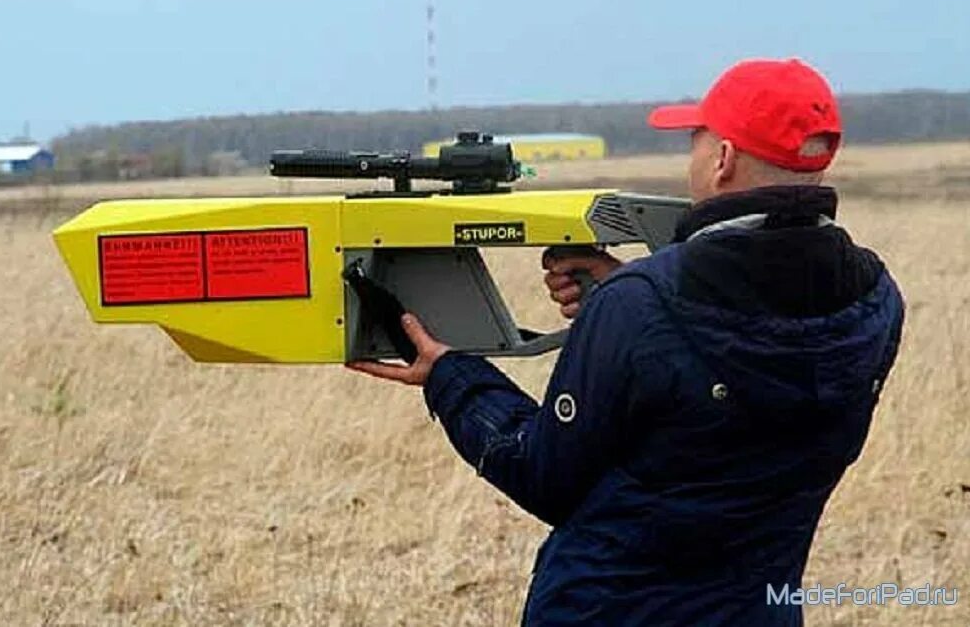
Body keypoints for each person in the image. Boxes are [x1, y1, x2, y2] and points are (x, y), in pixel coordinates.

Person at [347, 58, 905, 626]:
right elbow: (751, 349)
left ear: (722, 160)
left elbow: (544, 476)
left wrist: (449, 374)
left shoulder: (640, 304)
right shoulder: (876, 299)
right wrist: (630, 294)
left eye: (696, 139)